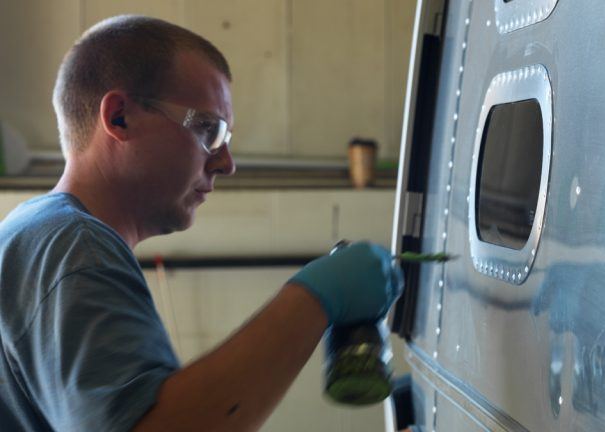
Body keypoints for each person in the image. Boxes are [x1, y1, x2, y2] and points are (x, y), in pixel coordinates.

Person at [0, 15, 403, 431]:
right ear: (119, 117)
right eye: (208, 129)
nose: (226, 163)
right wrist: (315, 299)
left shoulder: (37, 231)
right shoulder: (74, 247)